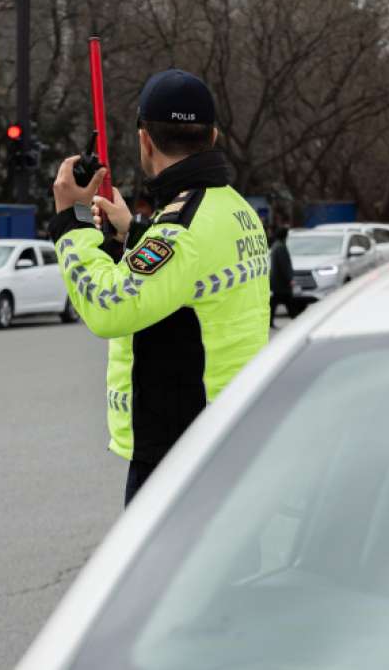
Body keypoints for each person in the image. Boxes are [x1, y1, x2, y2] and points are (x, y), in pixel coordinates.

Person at [49, 68, 270, 506]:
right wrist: (134, 233)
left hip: (181, 448)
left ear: (144, 140)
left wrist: (70, 220)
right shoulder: (234, 207)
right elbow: (187, 280)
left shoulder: (180, 229)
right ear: (213, 136)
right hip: (231, 430)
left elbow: (109, 307)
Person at [268, 226, 297, 327]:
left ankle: (270, 321)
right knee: (288, 302)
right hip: (281, 282)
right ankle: (297, 321)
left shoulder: (276, 245)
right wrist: (290, 278)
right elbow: (284, 265)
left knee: (275, 302)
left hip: (276, 281)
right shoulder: (280, 247)